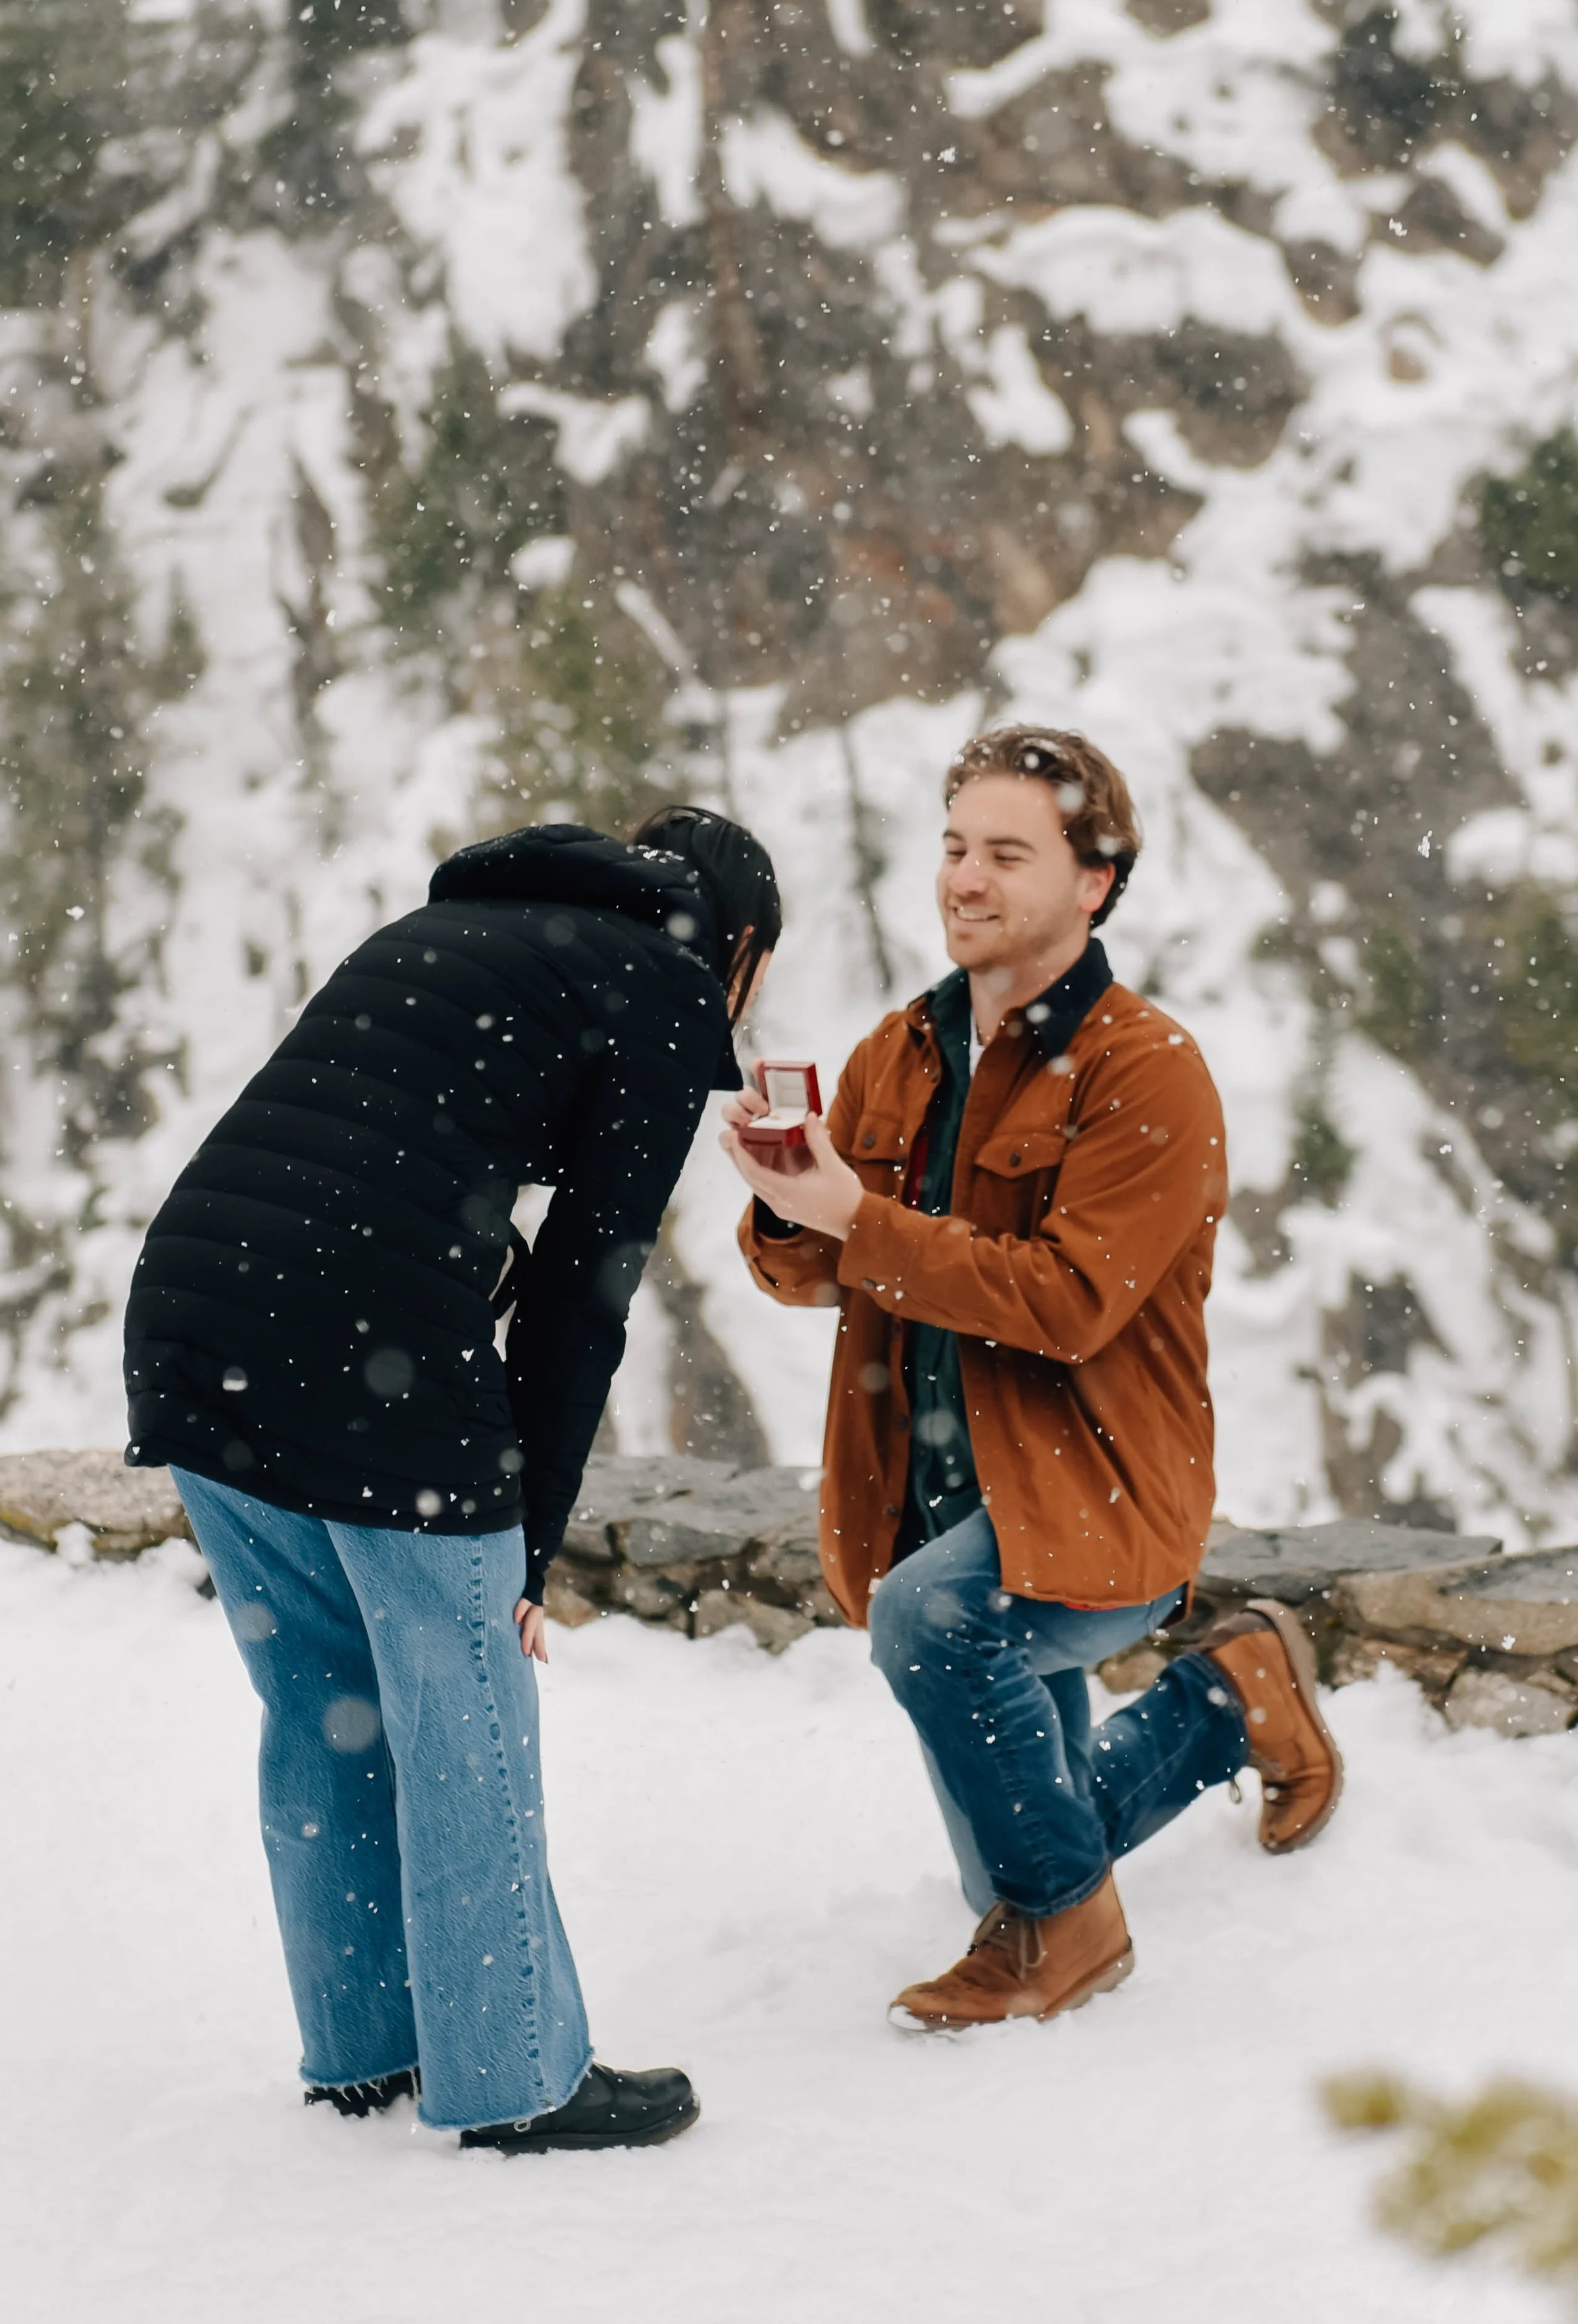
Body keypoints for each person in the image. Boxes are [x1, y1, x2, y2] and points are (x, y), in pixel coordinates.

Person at [125, 809, 780, 2144]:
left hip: (193, 1321)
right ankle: (517, 2077)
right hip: (364, 1354)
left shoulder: (451, 929)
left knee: (322, 1695)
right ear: (743, 952)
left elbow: (379, 1161)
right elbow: (583, 1303)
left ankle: (362, 2046)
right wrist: (518, 1557)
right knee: (460, 1713)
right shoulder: (663, 987)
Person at [724, 726, 1340, 2032]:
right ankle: (1228, 1694)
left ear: (1092, 883)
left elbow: (1061, 1304)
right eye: (953, 847)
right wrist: (789, 1209)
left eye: (1006, 853)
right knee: (1013, 1856)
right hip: (939, 1495)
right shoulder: (899, 1051)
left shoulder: (1145, 1073)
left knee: (933, 1630)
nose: (964, 878)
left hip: (1094, 1495)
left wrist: (855, 1219)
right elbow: (815, 1275)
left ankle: (1067, 1941)